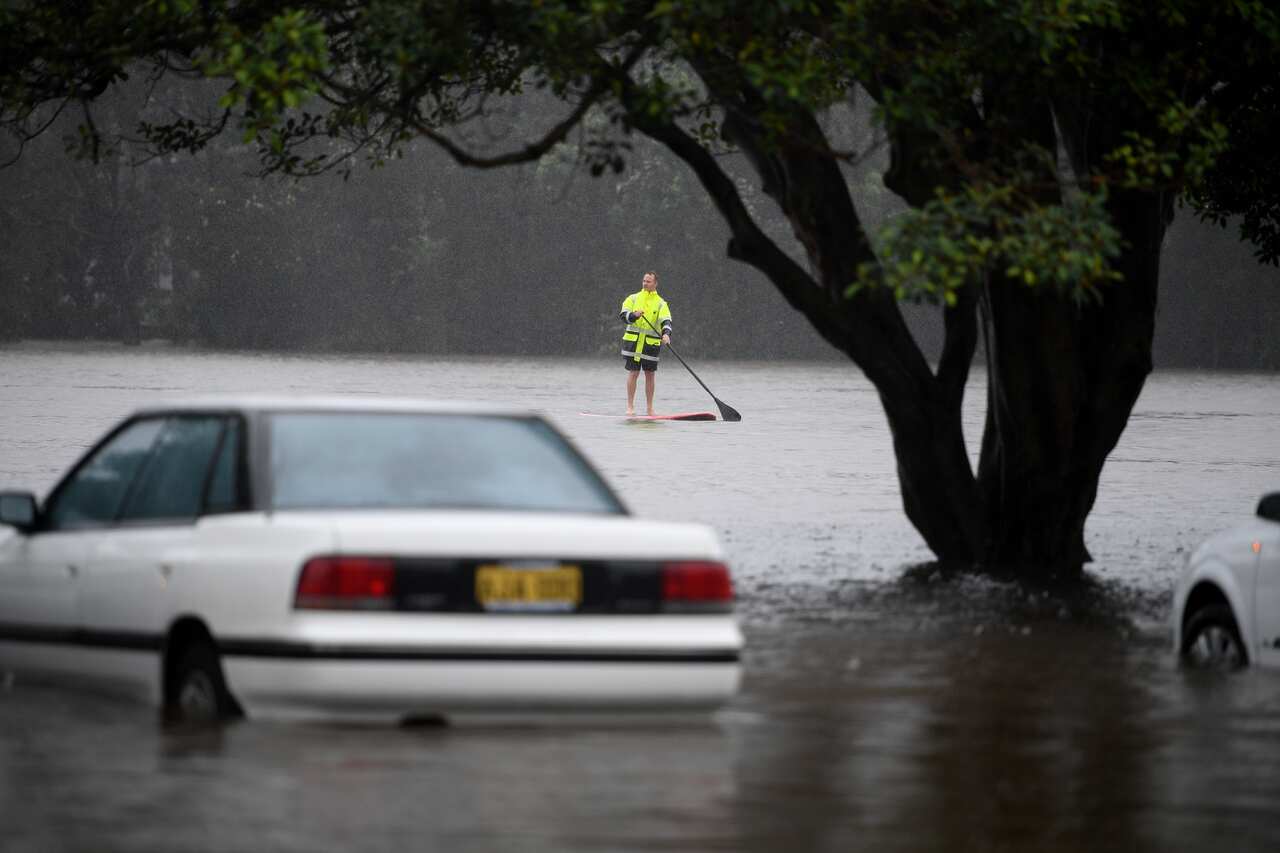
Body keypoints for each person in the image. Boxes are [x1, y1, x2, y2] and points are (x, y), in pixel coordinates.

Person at [619, 271, 672, 416]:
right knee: (633, 373)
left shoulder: (661, 303)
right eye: (644, 281)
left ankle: (649, 408)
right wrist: (633, 315)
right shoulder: (633, 298)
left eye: (648, 281)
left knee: (650, 374)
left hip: (650, 345)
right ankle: (630, 407)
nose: (645, 283)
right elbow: (623, 315)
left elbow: (666, 321)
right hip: (633, 343)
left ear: (655, 283)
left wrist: (666, 334)